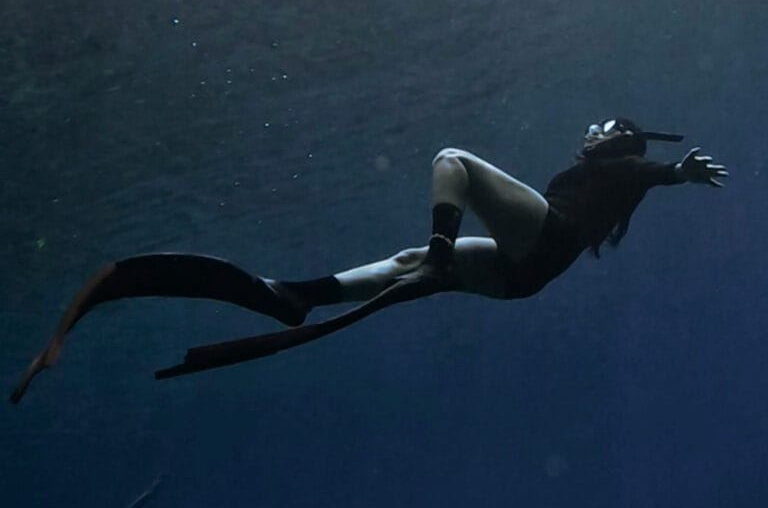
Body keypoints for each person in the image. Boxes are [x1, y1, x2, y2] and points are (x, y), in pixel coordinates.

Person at [10, 118, 728, 399]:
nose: (593, 129)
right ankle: (299, 295)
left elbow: (643, 174)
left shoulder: (621, 170)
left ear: (623, 144)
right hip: (524, 276)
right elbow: (634, 180)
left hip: (543, 246)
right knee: (407, 259)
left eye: (608, 128)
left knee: (452, 157)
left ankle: (438, 254)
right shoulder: (606, 178)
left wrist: (675, 172)